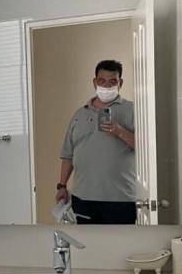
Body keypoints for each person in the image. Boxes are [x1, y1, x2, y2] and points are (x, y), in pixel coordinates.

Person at [55, 59, 136, 224]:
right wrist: (62, 186)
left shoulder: (133, 110)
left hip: (120, 199)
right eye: (102, 81)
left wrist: (120, 132)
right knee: (89, 247)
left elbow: (147, 150)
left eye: (112, 81)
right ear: (94, 82)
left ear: (120, 83)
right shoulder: (80, 114)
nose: (106, 86)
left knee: (121, 248)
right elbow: (68, 155)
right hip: (83, 198)